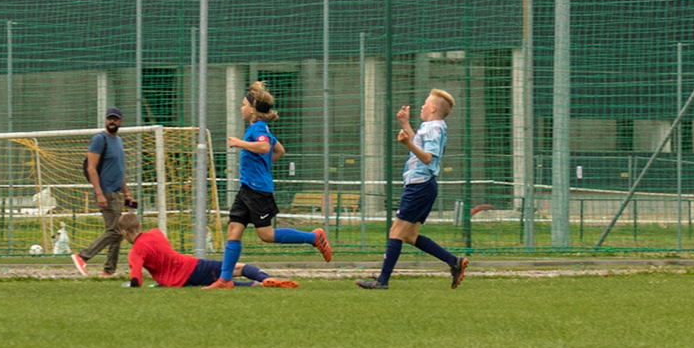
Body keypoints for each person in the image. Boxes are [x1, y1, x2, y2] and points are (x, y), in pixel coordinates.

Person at [217, 82, 332, 284]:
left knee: (266, 235)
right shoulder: (258, 127)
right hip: (247, 188)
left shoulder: (258, 129)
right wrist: (261, 163)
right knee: (233, 231)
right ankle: (224, 280)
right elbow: (279, 150)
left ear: (253, 110)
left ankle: (314, 237)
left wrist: (238, 143)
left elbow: (263, 146)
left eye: (244, 104)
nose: (241, 108)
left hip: (257, 190)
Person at [360, 89, 469, 290]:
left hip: (420, 185)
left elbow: (428, 157)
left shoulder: (433, 128)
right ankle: (454, 261)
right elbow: (419, 143)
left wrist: (407, 143)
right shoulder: (431, 127)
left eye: (426, 103)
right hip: (422, 185)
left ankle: (382, 281)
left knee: (396, 231)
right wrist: (405, 125)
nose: (422, 106)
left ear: (433, 108)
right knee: (409, 236)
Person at [119, 212, 296, 288]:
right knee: (236, 268)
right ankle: (264, 280)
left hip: (178, 281)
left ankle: (259, 284)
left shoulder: (135, 253)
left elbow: (136, 280)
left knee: (218, 281)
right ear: (140, 225)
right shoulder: (156, 233)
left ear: (124, 233)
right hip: (190, 266)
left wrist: (133, 284)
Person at [72, 107, 135, 278]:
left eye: (115, 119)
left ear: (121, 121)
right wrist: (99, 192)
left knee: (118, 234)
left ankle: (108, 271)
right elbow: (92, 168)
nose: (112, 122)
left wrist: (126, 193)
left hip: (116, 193)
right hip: (106, 192)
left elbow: (120, 170)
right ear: (105, 120)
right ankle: (82, 256)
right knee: (114, 231)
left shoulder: (119, 141)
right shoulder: (99, 139)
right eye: (109, 119)